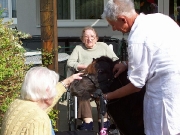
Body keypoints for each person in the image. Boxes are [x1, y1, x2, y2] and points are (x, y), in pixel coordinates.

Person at [101, 0, 180, 135]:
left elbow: (136, 84)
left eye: (113, 25)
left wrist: (107, 96)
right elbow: (157, 53)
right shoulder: (161, 18)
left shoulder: (136, 38)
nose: (114, 29)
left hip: (164, 97)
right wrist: (127, 64)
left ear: (123, 19)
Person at [1, 66, 82, 135]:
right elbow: (38, 116)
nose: (55, 92)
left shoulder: (18, 103)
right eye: (53, 88)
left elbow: (44, 103)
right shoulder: (39, 120)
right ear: (47, 91)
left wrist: (66, 82)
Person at [67, 26, 119, 131]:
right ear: (82, 39)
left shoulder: (103, 47)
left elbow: (115, 60)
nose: (89, 39)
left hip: (101, 80)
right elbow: (70, 62)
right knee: (82, 91)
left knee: (103, 93)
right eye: (86, 36)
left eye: (92, 36)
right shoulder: (79, 49)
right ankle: (88, 122)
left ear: (96, 38)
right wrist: (86, 66)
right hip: (85, 79)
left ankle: (104, 122)